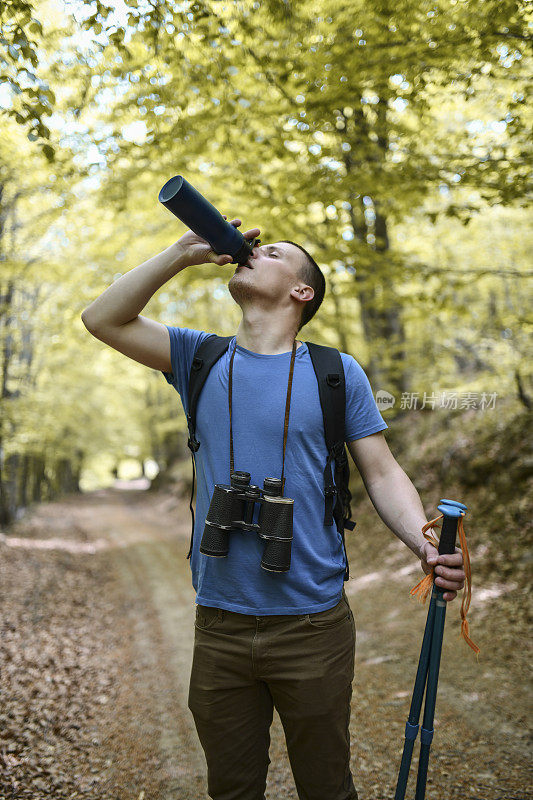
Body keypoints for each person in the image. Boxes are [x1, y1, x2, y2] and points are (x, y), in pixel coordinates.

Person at [81, 217, 466, 800]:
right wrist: (179, 254)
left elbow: (382, 472)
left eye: (276, 252)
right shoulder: (197, 357)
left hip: (313, 623)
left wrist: (425, 543)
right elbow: (101, 319)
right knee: (232, 789)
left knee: (326, 785)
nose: (255, 250)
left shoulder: (337, 373)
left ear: (301, 291)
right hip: (220, 623)